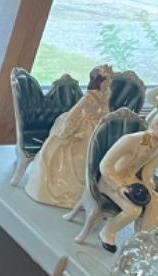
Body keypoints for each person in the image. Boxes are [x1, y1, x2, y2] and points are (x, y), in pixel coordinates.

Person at [86, 110, 158, 251]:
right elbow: (105, 165)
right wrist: (119, 186)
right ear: (153, 124)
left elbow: (148, 171)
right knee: (133, 209)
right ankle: (107, 232)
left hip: (132, 180)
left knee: (156, 201)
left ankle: (144, 240)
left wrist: (148, 185)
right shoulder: (130, 140)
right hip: (111, 180)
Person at [25, 65, 111, 208]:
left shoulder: (106, 93)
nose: (108, 83)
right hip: (82, 128)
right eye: (106, 81)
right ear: (99, 81)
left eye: (109, 81)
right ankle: (70, 191)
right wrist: (67, 132)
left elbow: (106, 111)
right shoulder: (90, 97)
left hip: (97, 127)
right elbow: (74, 114)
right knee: (80, 156)